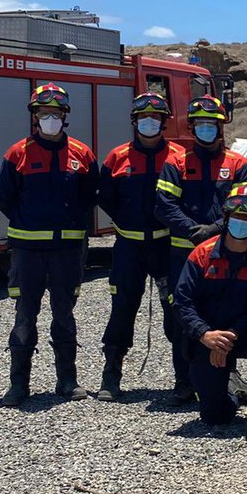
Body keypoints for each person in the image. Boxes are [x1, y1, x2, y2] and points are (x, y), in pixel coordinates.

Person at [0, 83, 99, 405]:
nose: (49, 119)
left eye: (55, 113)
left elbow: (89, 196)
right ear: (34, 116)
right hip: (27, 254)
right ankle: (18, 385)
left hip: (67, 252)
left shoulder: (82, 154)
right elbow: (3, 197)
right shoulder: (17, 153)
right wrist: (30, 221)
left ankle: (67, 381)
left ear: (65, 116)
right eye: (43, 113)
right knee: (25, 316)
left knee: (64, 315)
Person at [156, 95, 247, 404]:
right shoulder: (176, 163)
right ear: (192, 126)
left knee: (224, 311)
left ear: (221, 127)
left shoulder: (237, 164)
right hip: (182, 253)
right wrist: (192, 231)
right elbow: (164, 205)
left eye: (211, 123)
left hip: (226, 251)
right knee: (182, 313)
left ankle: (228, 376)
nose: (206, 128)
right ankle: (183, 381)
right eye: (200, 123)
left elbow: (246, 205)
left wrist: (213, 230)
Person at [173, 183, 247, 448]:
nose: (241, 222)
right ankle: (233, 390)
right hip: (210, 335)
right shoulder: (202, 253)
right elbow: (182, 301)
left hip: (245, 334)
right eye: (236, 216)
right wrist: (204, 334)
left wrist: (230, 336)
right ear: (225, 217)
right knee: (214, 417)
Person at [96, 92, 186, 401]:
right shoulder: (117, 157)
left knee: (176, 309)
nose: (150, 122)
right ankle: (111, 375)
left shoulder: (179, 157)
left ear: (164, 122)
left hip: (167, 246)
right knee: (122, 308)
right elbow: (105, 197)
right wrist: (126, 220)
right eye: (144, 117)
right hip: (129, 247)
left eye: (156, 117)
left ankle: (184, 379)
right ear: (135, 121)